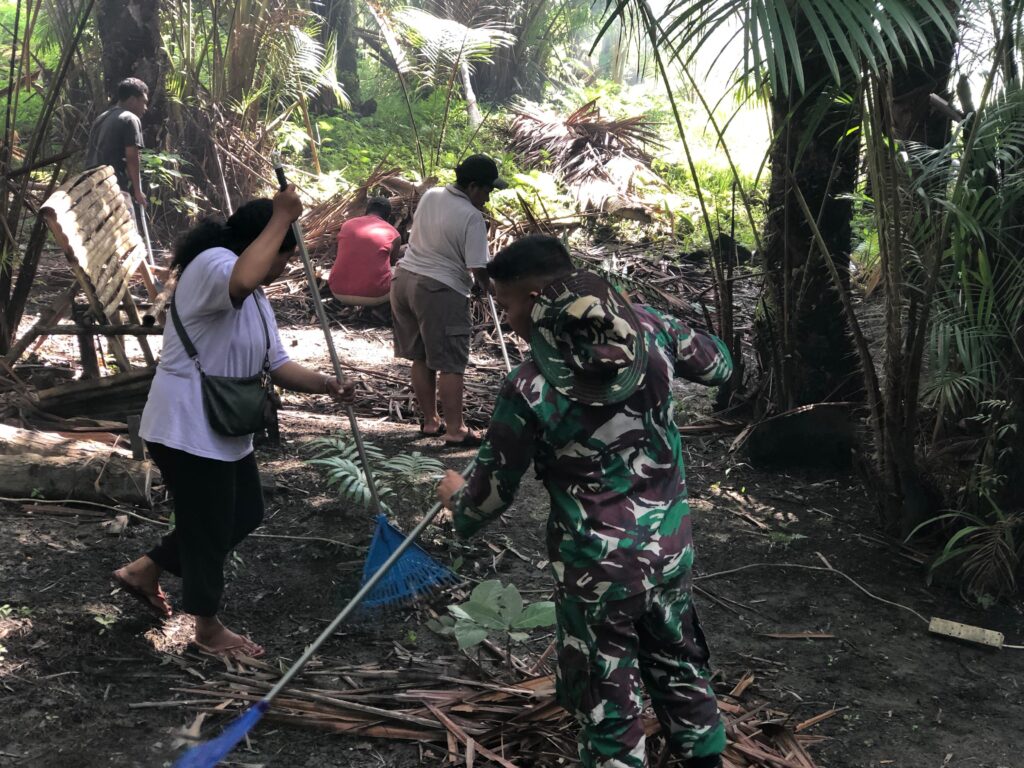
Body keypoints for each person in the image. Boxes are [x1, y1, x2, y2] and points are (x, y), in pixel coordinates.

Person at [436, 235, 733, 768]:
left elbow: (490, 496)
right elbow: (718, 366)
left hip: (596, 572)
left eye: (505, 306)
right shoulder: (652, 329)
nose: (507, 321)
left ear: (532, 299)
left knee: (607, 700)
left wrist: (457, 502)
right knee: (680, 665)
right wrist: (642, 315)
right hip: (670, 549)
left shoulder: (529, 386)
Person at [112, 186, 356, 658]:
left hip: (223, 426)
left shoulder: (256, 294)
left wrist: (327, 384)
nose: (284, 266)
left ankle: (145, 569)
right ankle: (207, 628)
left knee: (245, 513)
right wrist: (282, 217)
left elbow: (277, 362)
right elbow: (243, 278)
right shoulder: (214, 266)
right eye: (283, 254)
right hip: (186, 425)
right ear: (263, 241)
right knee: (207, 526)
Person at [390, 154, 506, 446]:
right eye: (487, 190)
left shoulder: (431, 195)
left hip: (404, 280)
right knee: (451, 363)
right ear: (472, 186)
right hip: (438, 289)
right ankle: (456, 430)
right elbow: (478, 266)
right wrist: (492, 289)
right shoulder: (471, 217)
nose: (488, 198)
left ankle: (430, 422)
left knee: (421, 356)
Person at [328, 196, 401, 320]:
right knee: (402, 273)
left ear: (366, 211)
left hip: (337, 291)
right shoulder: (393, 233)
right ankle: (382, 310)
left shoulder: (347, 225)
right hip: (376, 296)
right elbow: (391, 263)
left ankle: (349, 307)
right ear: (388, 216)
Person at [85, 77, 149, 212]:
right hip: (113, 186)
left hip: (91, 186)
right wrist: (137, 191)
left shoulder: (101, 118)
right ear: (132, 100)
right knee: (126, 228)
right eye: (143, 102)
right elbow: (132, 157)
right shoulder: (130, 119)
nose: (145, 108)